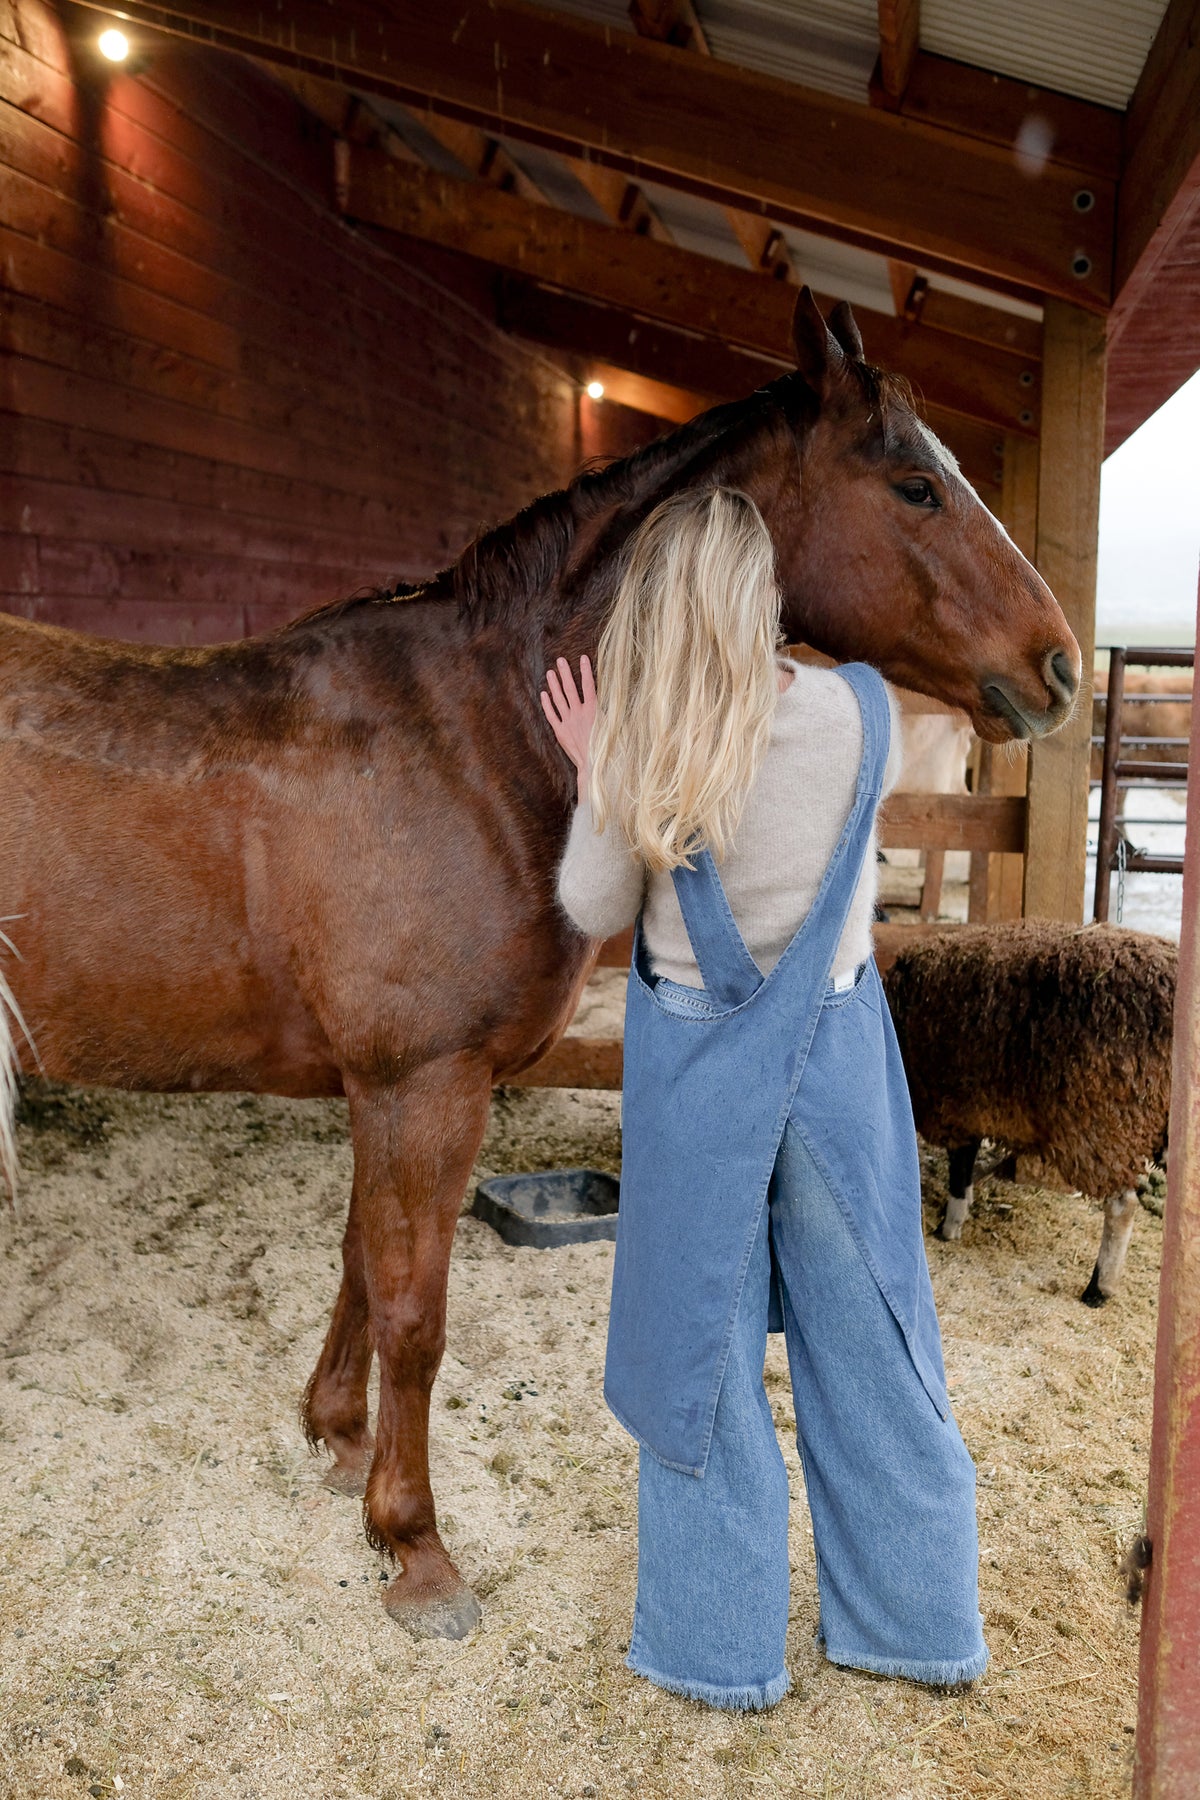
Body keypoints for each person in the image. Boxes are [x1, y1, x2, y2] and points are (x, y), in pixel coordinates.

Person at [540, 485, 987, 1712]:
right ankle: (916, 1624)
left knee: (701, 1363)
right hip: (836, 1062)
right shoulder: (863, 712)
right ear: (763, 598)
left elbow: (592, 908)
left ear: (656, 607)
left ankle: (716, 1650)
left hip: (698, 1082)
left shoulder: (646, 747)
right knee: (878, 1342)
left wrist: (597, 769)